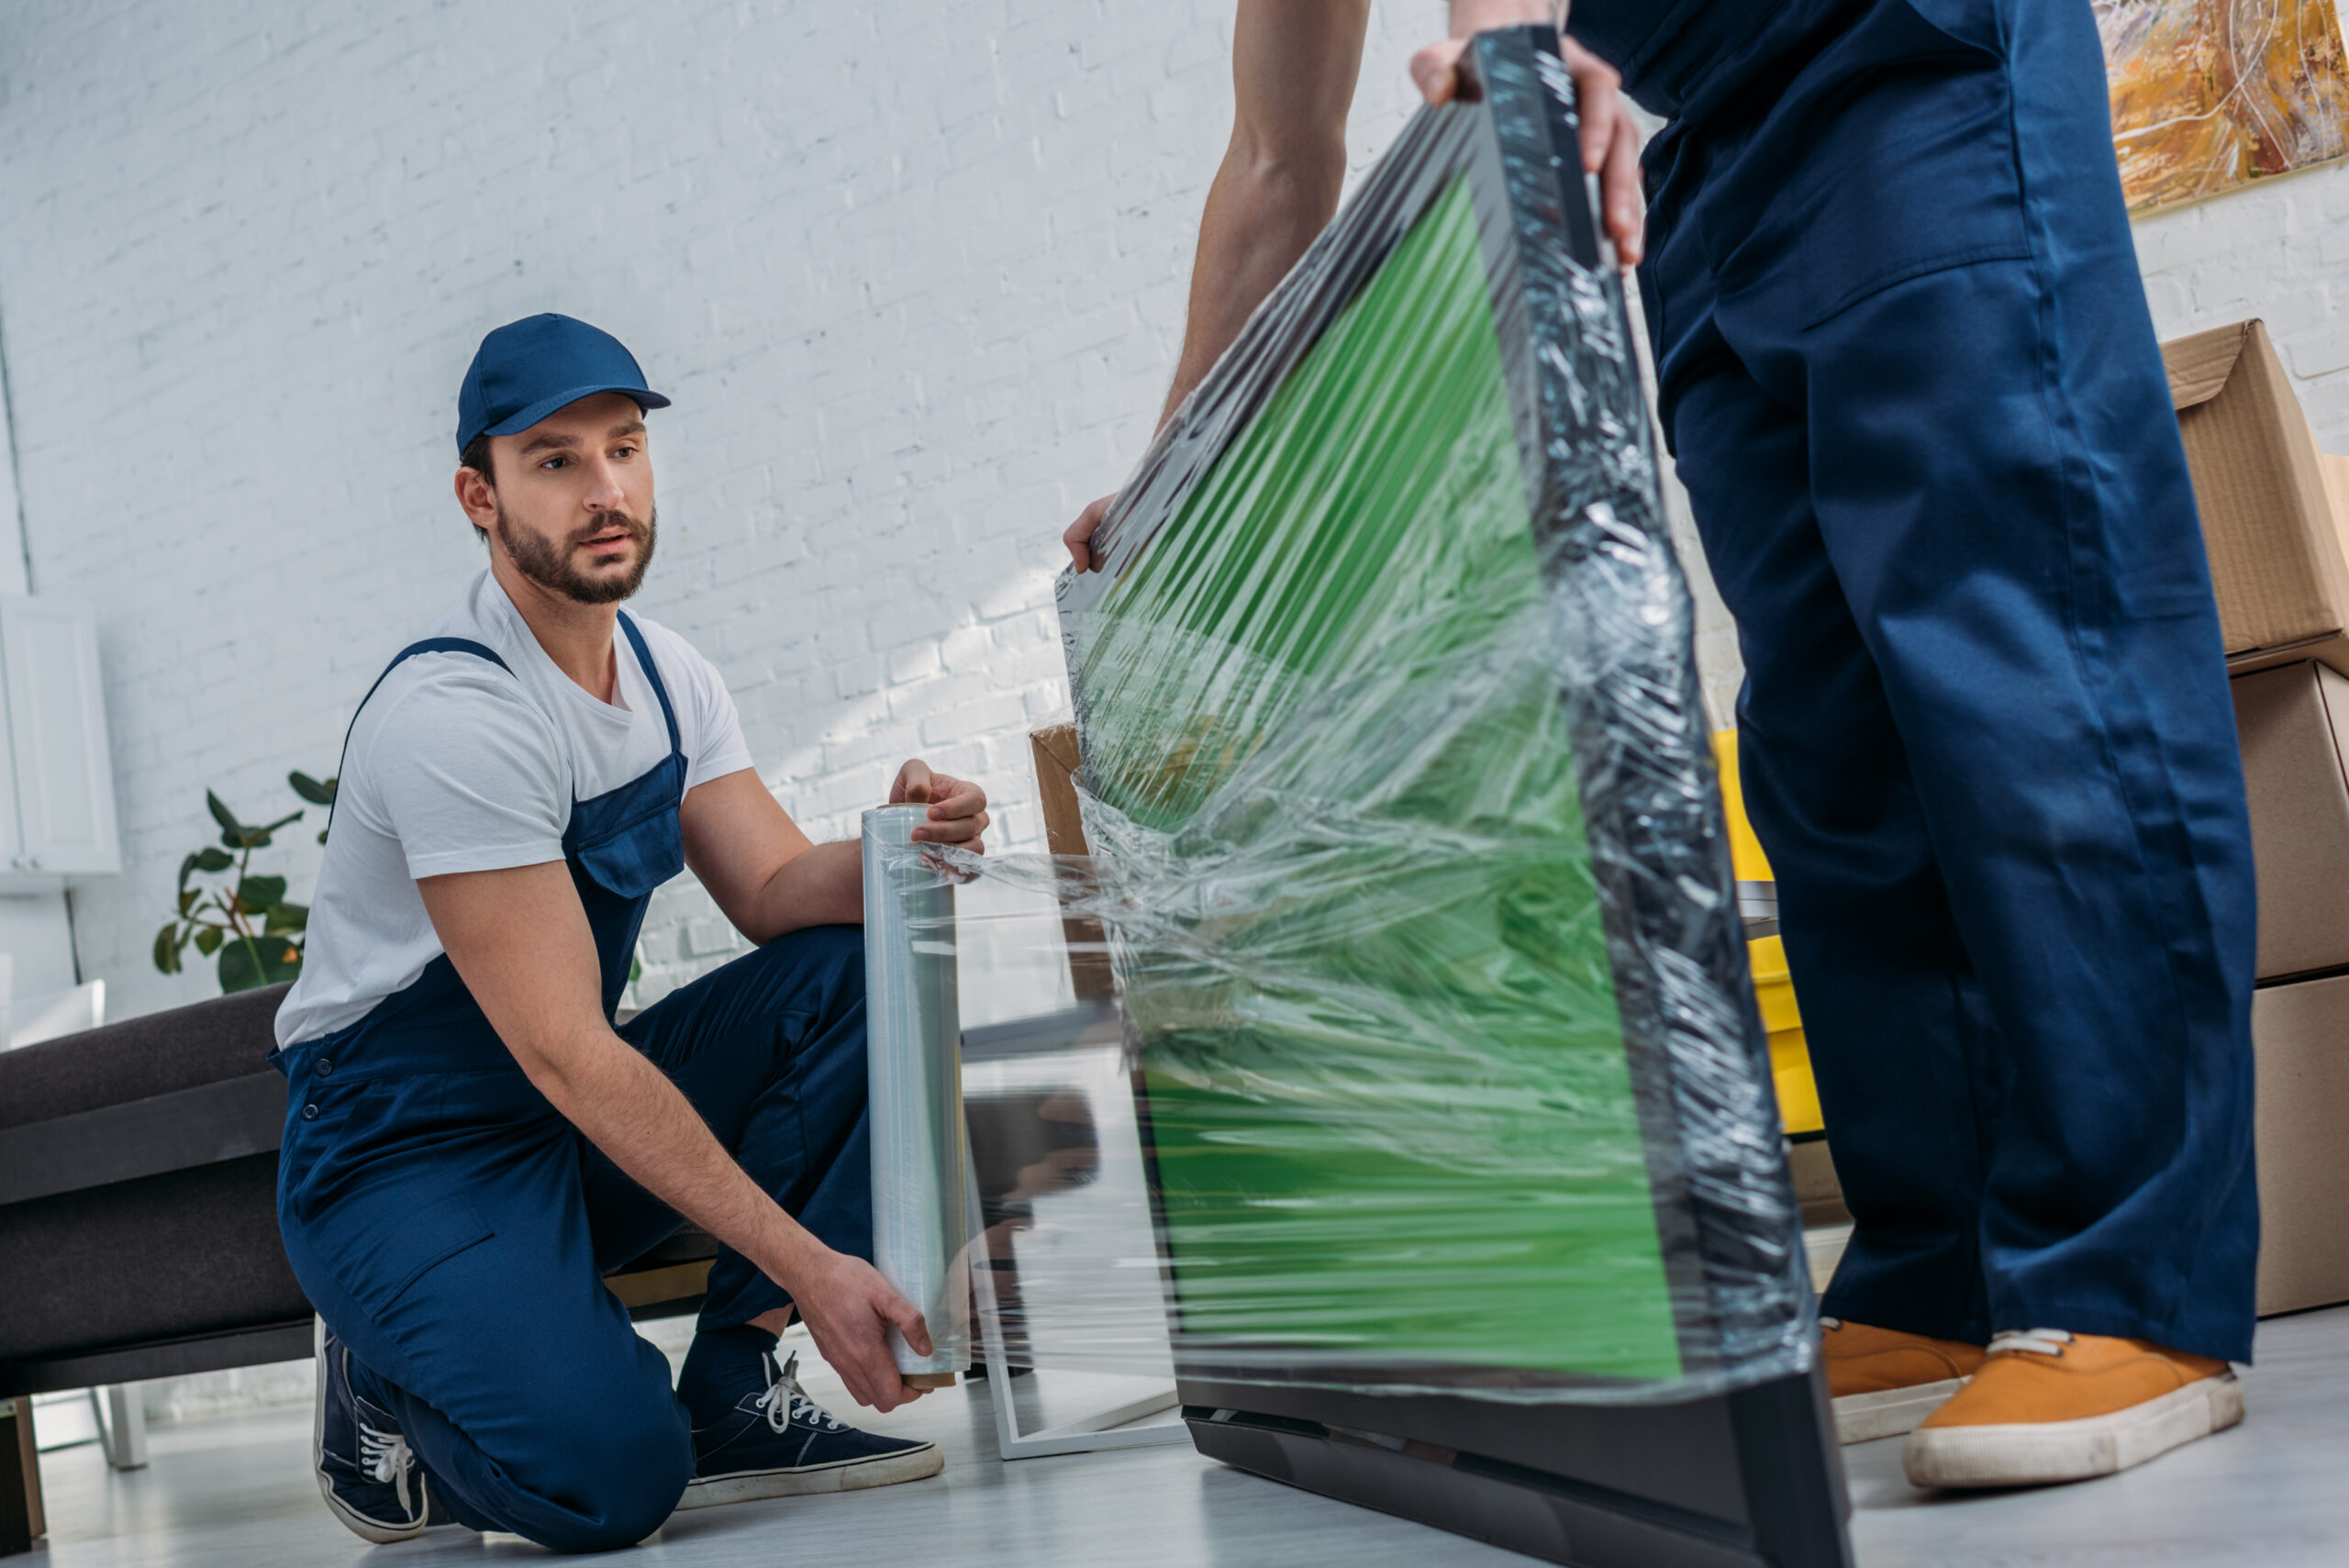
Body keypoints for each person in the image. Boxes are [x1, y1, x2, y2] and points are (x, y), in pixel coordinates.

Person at [1065, 0, 2257, 1490]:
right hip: (1702, 149)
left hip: (1898, 60)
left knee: (2027, 656)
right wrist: (1180, 458)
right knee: (1831, 744)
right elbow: (1276, 156)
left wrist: (1505, 50)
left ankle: (2128, 1279)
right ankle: (1939, 1270)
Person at [272, 312, 990, 1551]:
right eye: (555, 460)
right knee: (614, 1482)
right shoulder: (454, 713)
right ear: (478, 495)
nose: (606, 490)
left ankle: (733, 1389)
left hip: (552, 1127)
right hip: (400, 1154)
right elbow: (567, 1048)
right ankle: (383, 1368)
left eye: (624, 448)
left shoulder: (668, 677)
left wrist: (897, 846)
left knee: (847, 969)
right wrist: (816, 1263)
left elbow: (772, 889)